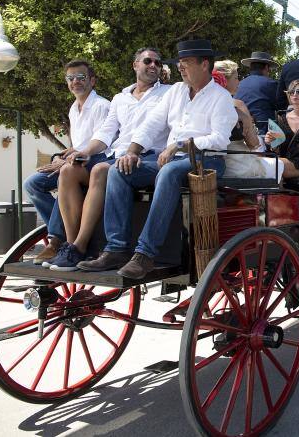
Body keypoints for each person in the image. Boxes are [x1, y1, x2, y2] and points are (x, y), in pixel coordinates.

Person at [78, 39, 237, 279]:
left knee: (169, 172)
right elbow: (152, 123)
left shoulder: (221, 97)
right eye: (180, 63)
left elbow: (220, 139)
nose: (180, 67)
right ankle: (116, 249)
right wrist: (131, 151)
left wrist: (181, 144)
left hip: (207, 160)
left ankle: (145, 254)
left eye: (185, 62)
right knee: (118, 170)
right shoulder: (176, 91)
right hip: (174, 159)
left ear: (204, 65)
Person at [44, 48, 172, 271]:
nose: (153, 66)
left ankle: (84, 244)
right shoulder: (120, 98)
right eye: (148, 61)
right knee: (68, 171)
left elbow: (160, 127)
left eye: (158, 63)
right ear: (135, 65)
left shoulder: (168, 93)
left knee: (101, 169)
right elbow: (105, 132)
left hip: (147, 156)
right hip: (117, 154)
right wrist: (86, 151)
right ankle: (71, 247)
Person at [24, 59, 110, 263]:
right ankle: (60, 232)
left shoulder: (101, 106)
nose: (75, 82)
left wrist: (71, 159)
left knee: (65, 174)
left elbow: (103, 143)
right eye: (70, 78)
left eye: (80, 77)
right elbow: (79, 143)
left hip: (96, 160)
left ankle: (56, 240)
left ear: (92, 80)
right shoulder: (73, 108)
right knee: (32, 184)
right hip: (76, 160)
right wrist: (65, 155)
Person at [235, 51, 279, 135]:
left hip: (241, 131)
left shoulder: (239, 84)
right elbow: (280, 106)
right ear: (266, 67)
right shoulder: (271, 83)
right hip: (264, 132)